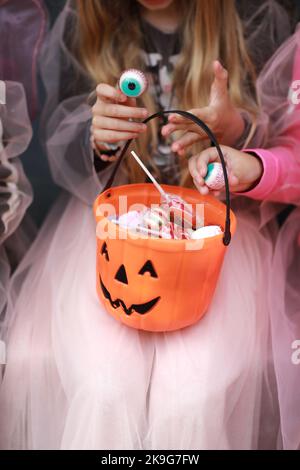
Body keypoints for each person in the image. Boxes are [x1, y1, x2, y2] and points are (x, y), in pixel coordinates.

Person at [0, 0, 293, 450]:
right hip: (116, 229)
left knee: (192, 392)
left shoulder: (252, 18)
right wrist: (97, 140)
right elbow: (65, 147)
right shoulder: (82, 27)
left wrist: (236, 129)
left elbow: (280, 146)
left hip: (211, 231)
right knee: (103, 386)